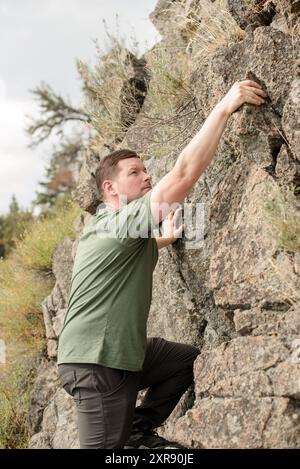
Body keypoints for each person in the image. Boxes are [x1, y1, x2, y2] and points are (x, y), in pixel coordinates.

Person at [57, 79, 266, 449]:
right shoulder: (116, 221)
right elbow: (183, 175)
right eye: (134, 172)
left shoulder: (111, 232)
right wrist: (222, 108)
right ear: (110, 189)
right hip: (97, 363)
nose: (147, 176)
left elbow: (121, 256)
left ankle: (136, 428)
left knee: (183, 361)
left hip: (120, 352)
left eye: (145, 170)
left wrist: (165, 239)